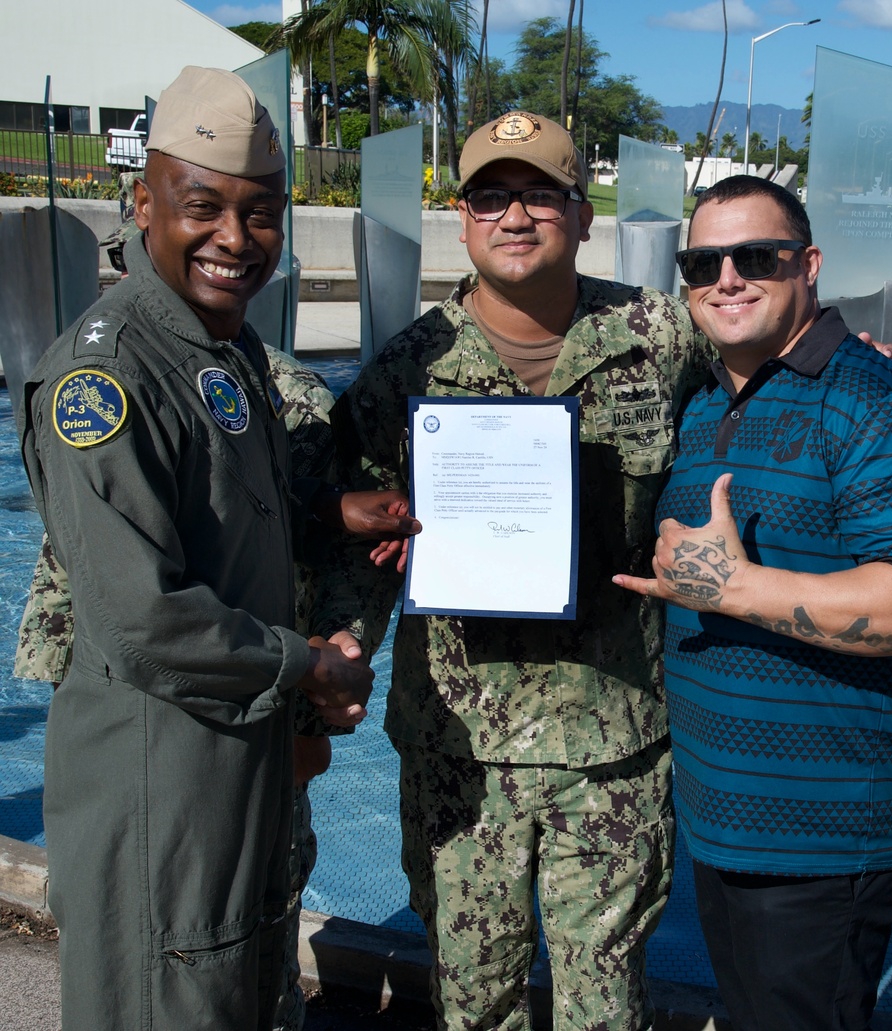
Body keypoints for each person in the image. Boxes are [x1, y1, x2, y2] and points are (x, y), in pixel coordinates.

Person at [17, 65, 415, 1031]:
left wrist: (330, 508)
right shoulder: (105, 375)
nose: (236, 240)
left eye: (262, 213)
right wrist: (307, 663)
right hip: (164, 781)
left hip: (235, 759)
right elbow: (144, 619)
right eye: (204, 207)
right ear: (144, 203)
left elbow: (222, 506)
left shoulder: (220, 352)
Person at [305, 110, 715, 1030]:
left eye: (539, 193)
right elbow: (353, 541)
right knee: (473, 993)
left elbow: (763, 382)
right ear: (463, 217)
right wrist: (341, 643)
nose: (515, 215)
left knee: (605, 1000)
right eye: (492, 196)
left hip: (612, 741)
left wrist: (843, 348)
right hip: (462, 745)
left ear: (578, 212)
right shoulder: (407, 369)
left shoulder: (660, 338)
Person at [614, 175, 892, 1031]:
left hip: (827, 834)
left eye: (758, 256)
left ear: (808, 265)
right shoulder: (706, 401)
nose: (728, 277)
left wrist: (734, 586)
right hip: (730, 820)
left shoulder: (883, 400)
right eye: (703, 262)